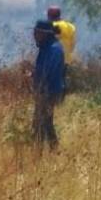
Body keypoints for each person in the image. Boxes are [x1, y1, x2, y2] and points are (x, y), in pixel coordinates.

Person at [32, 19, 66, 149]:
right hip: (44, 90)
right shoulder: (46, 47)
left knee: (41, 122)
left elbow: (48, 71)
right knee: (45, 122)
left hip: (49, 91)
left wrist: (36, 77)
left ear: (45, 34)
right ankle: (52, 150)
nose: (34, 35)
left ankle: (41, 152)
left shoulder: (54, 49)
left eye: (37, 32)